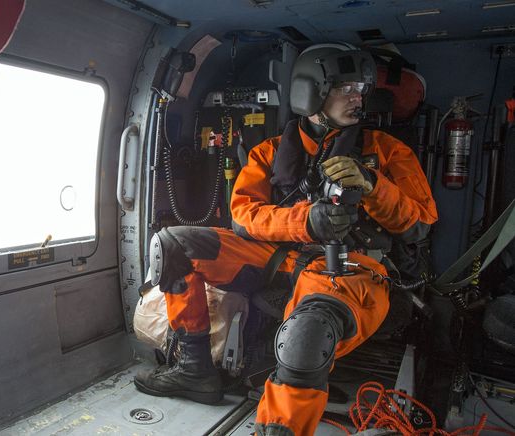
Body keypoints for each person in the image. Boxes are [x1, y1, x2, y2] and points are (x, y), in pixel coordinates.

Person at [134, 43, 438, 435]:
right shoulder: (270, 153)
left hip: (352, 267)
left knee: (305, 334)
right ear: (311, 93)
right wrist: (306, 222)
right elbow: (244, 217)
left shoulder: (387, 152)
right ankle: (194, 371)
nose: (357, 98)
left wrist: (372, 185)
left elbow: (420, 223)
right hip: (278, 257)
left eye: (361, 89)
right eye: (345, 88)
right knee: (174, 245)